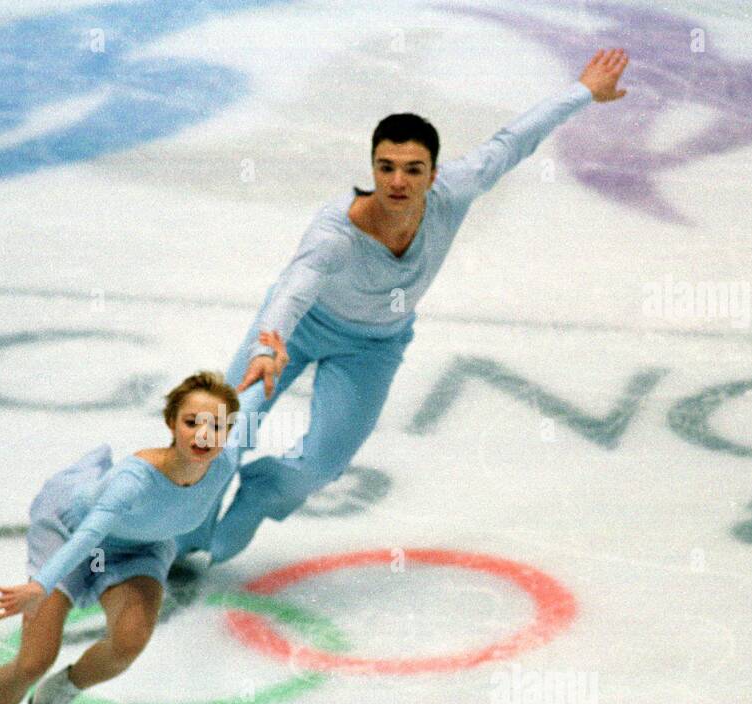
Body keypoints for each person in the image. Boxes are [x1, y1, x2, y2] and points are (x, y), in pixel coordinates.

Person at [176, 49, 630, 564]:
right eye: (386, 168)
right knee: (223, 434)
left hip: (373, 345)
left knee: (321, 466)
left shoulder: (454, 193)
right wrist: (266, 344)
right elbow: (293, 290)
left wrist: (584, 91)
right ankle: (170, 536)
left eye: (413, 170)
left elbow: (512, 144)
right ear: (371, 167)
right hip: (291, 332)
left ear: (434, 175)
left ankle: (258, 495)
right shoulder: (335, 234)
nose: (397, 182)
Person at [0, 348, 283, 704]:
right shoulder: (133, 482)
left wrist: (267, 365)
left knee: (129, 642)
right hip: (68, 536)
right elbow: (89, 536)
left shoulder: (225, 457)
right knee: (34, 660)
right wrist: (41, 585)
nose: (204, 435)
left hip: (142, 548)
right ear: (171, 424)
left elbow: (257, 400)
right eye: (191, 422)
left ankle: (60, 691)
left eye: (217, 426)